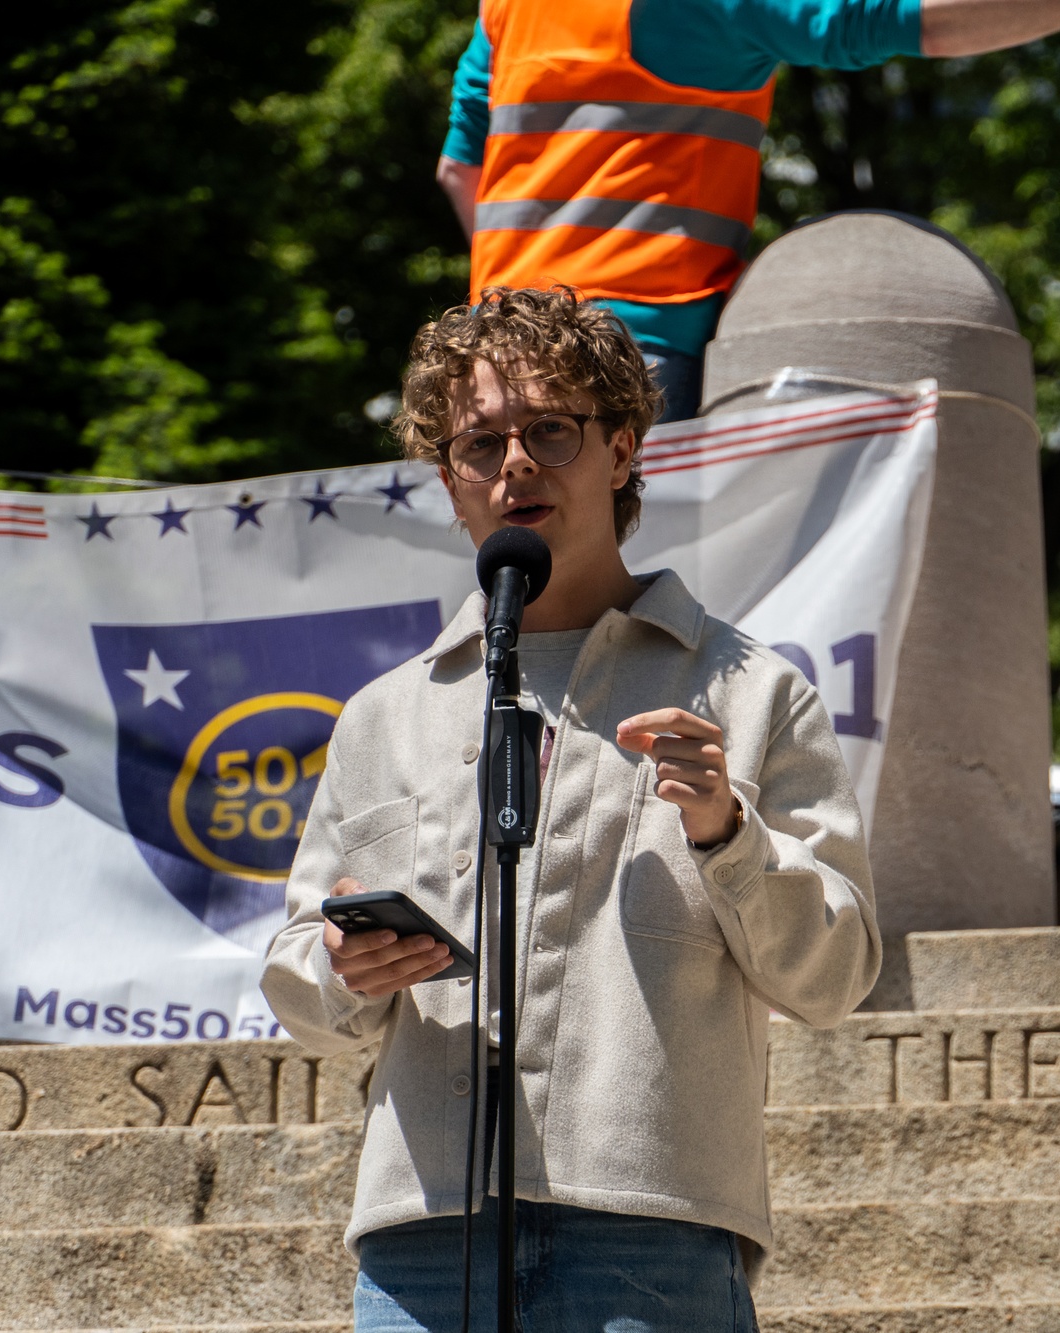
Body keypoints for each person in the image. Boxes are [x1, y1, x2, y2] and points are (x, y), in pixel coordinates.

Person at [261, 286, 881, 1332]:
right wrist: (339, 965)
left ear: (623, 451)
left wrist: (728, 835)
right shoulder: (383, 716)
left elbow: (835, 974)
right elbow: (298, 971)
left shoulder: (751, 692)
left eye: (551, 430)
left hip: (652, 1225)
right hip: (423, 1233)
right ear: (451, 482)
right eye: (479, 443)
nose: (515, 465)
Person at [436, 0, 1060, 420]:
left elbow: (457, 170)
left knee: (525, 639)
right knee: (641, 643)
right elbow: (891, 17)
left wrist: (531, 308)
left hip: (488, 360)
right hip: (634, 357)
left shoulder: (510, 4)